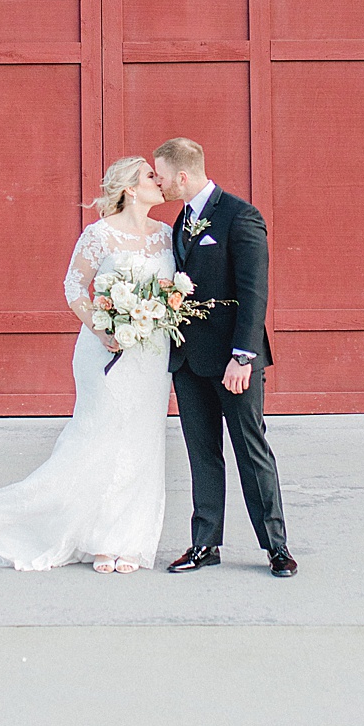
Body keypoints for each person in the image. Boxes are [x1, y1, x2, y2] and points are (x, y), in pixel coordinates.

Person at [0, 156, 172, 573]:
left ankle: (126, 538)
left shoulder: (166, 236)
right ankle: (87, 535)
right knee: (96, 437)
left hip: (151, 354)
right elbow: (74, 285)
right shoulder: (99, 235)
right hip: (105, 351)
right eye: (151, 176)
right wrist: (102, 328)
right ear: (131, 188)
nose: (159, 181)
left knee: (142, 442)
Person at [152, 136, 297, 578]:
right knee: (202, 454)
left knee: (251, 452)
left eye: (159, 175)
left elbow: (255, 292)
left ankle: (276, 547)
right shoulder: (179, 221)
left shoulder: (240, 216)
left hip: (234, 362)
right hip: (189, 362)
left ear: (182, 175)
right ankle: (204, 544)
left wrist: (244, 357)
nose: (156, 183)